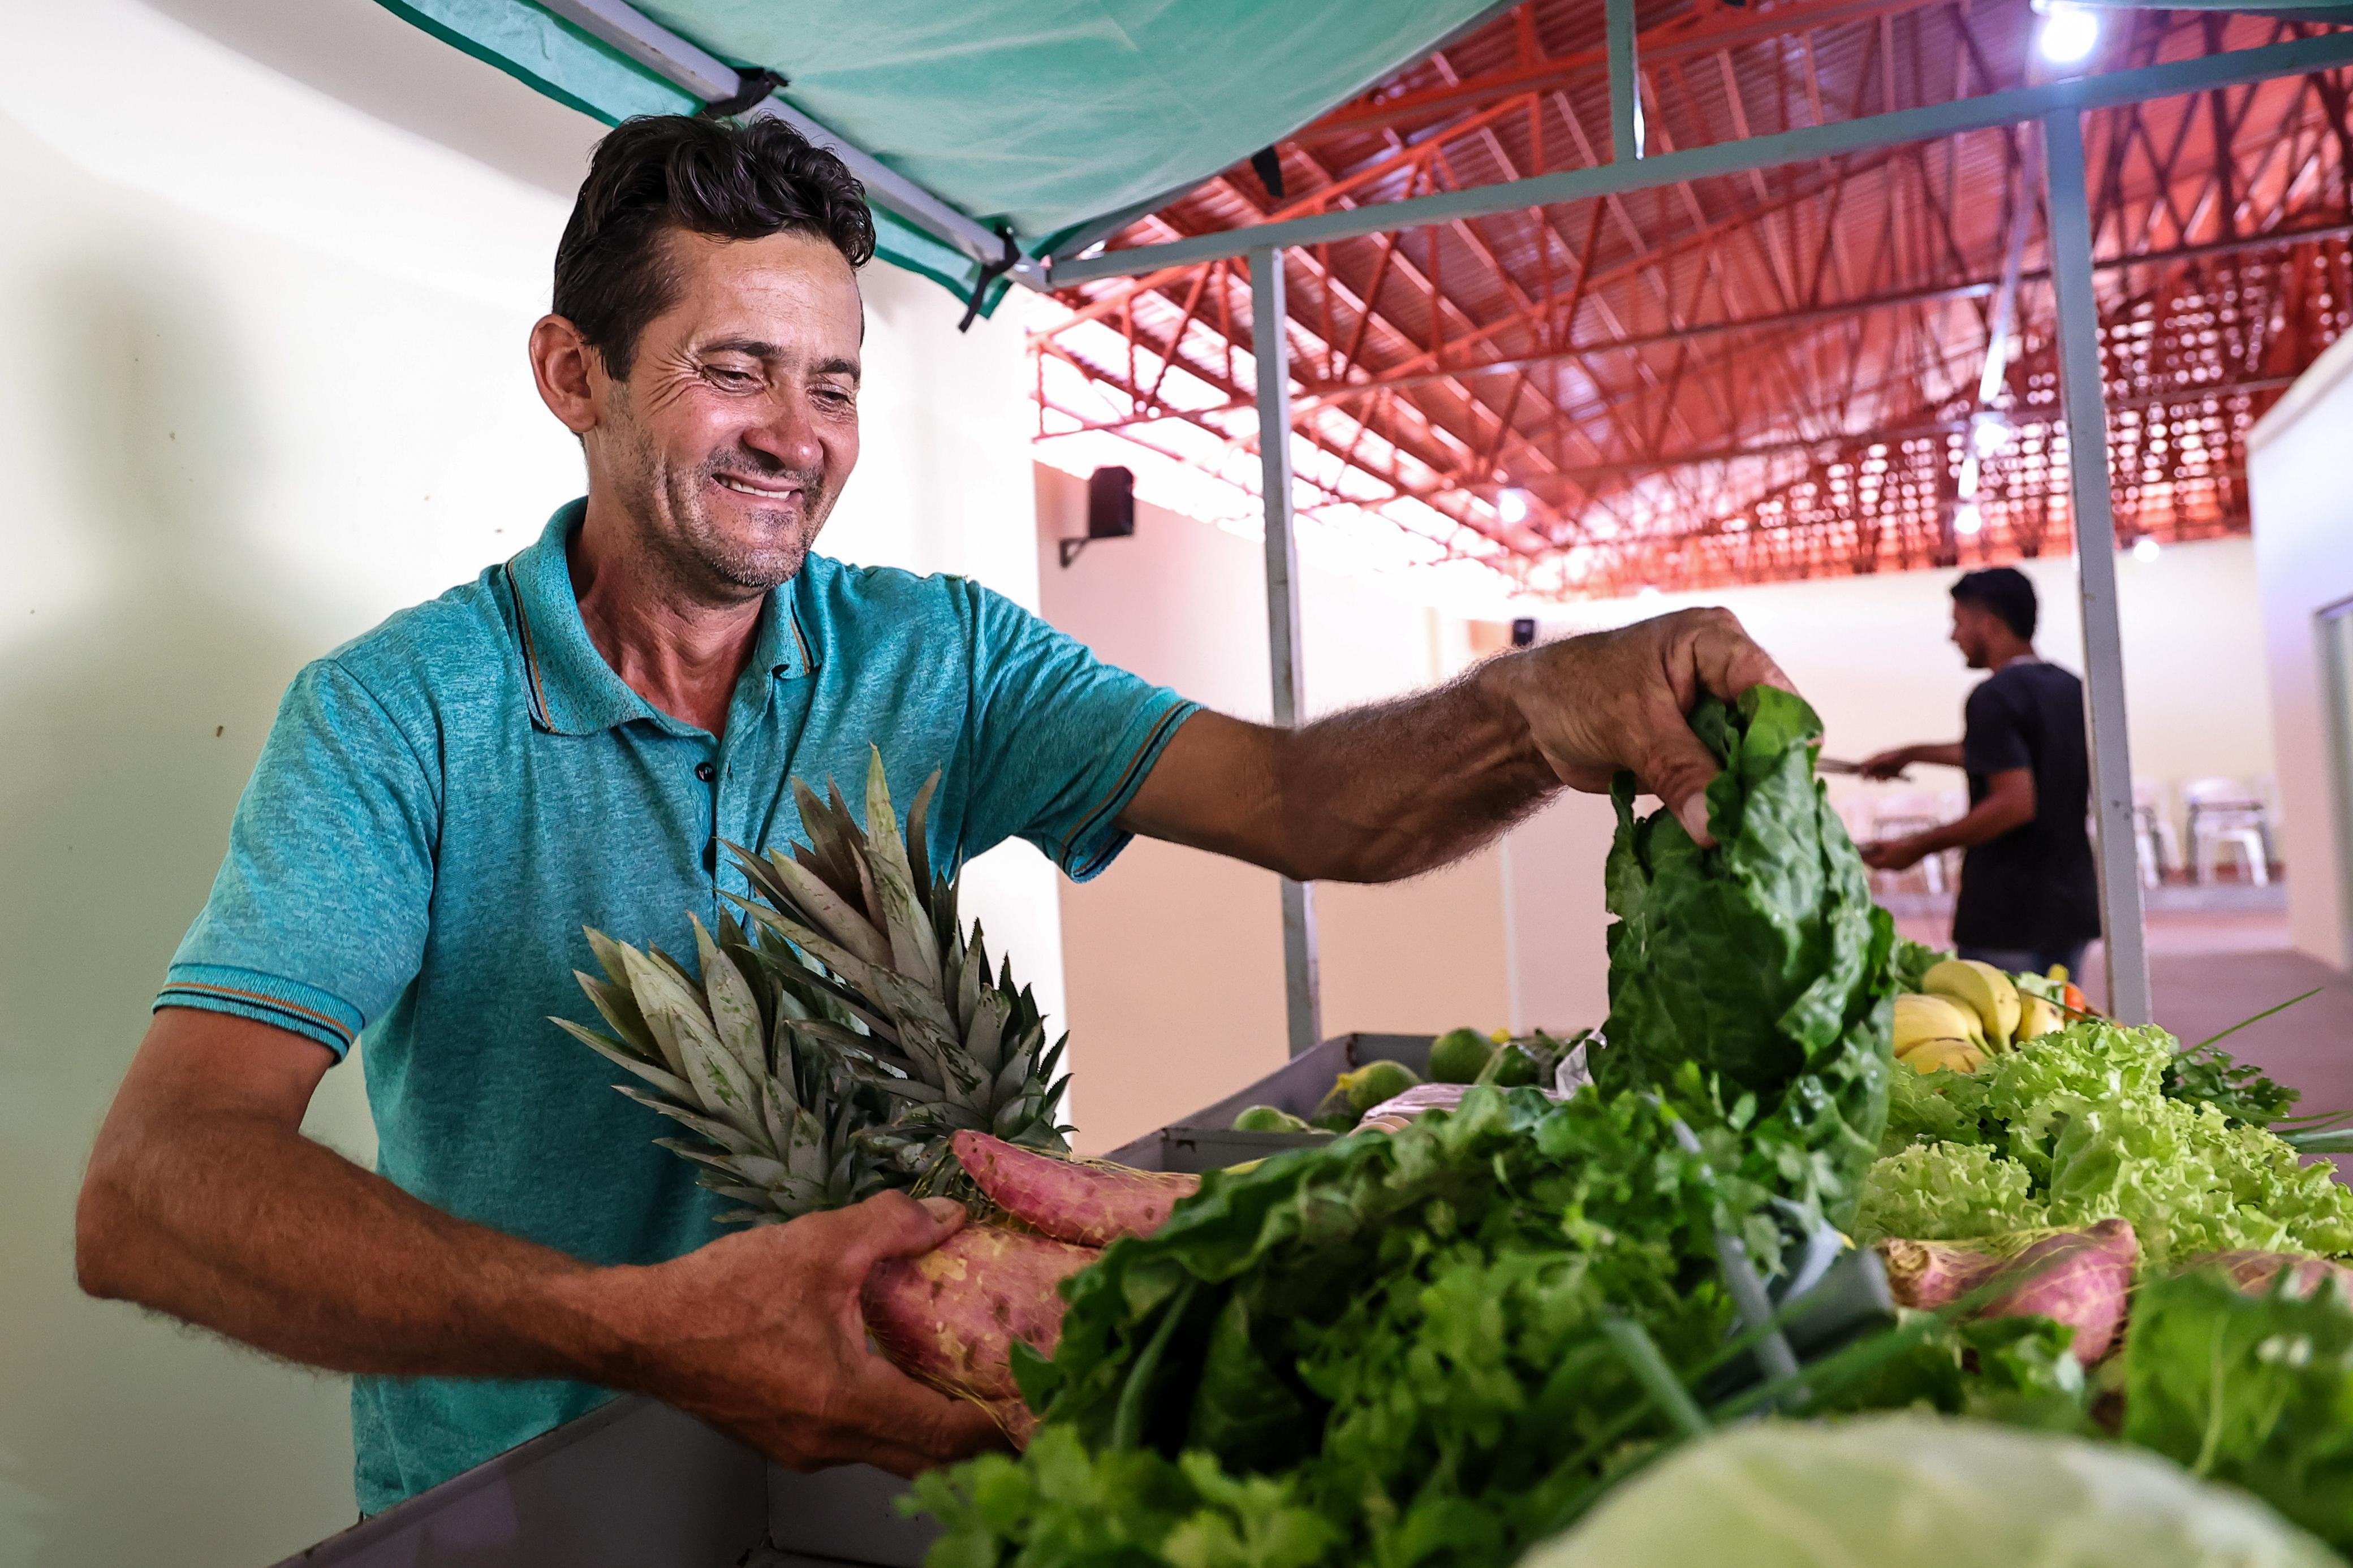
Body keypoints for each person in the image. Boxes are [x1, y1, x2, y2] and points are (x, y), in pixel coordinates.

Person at [74, 114, 1791, 1514]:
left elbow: (1298, 801)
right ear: (573, 374)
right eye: (734, 369)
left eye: (834, 383)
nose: (798, 438)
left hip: (894, 1459)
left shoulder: (939, 658)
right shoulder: (400, 722)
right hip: (530, 1503)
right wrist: (640, 1328)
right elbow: (153, 1187)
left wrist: (1525, 706)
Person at [1858, 567, 2100, 978]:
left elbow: (2014, 803)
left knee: (2007, 1036)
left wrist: (1918, 845)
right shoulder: (2071, 688)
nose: (1954, 636)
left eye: (1959, 622)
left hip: (2009, 911)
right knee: (2063, 1030)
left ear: (1989, 625)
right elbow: (2011, 758)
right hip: (2070, 901)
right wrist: (1912, 753)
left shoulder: (1994, 696)